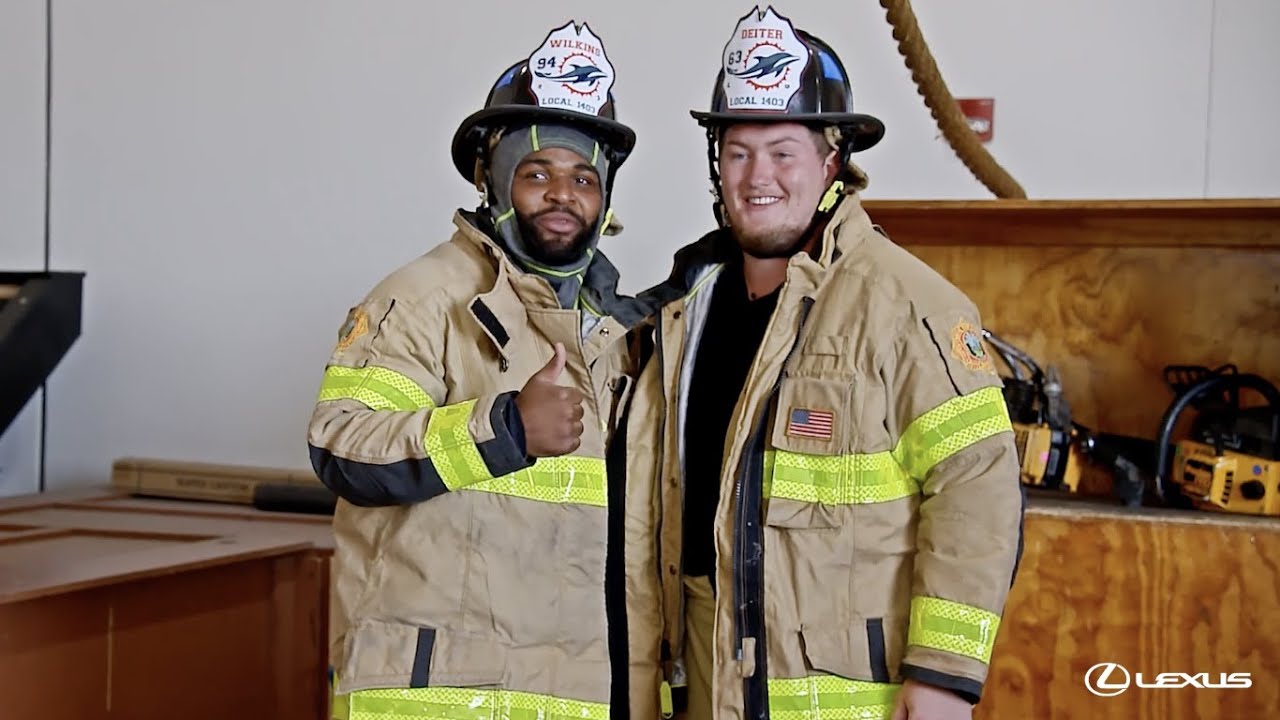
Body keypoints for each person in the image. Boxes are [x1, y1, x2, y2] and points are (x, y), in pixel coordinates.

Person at [645, 6, 1024, 720]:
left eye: (783, 151)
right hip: (703, 676)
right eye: (737, 152)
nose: (758, 176)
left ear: (831, 161)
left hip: (841, 694)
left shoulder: (907, 303)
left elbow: (978, 488)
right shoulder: (683, 308)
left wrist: (944, 676)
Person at [306, 20, 668, 720]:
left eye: (583, 178)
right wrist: (503, 427)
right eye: (537, 174)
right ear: (491, 179)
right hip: (440, 701)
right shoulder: (421, 298)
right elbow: (341, 445)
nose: (563, 195)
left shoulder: (616, 333)